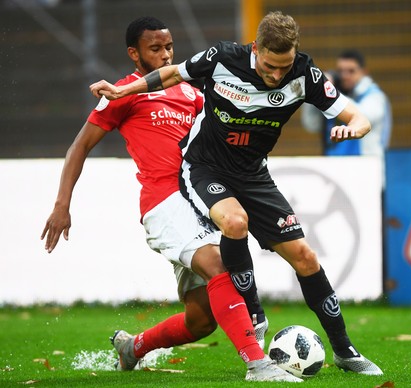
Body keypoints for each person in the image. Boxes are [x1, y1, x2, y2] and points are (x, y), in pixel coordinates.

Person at [90, 11, 383, 376]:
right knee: (234, 221)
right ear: (256, 49)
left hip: (254, 176)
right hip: (204, 168)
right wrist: (123, 90)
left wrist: (354, 129)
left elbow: (358, 116)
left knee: (305, 257)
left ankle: (345, 350)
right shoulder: (223, 58)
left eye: (285, 66)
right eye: (271, 66)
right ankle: (254, 313)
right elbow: (171, 72)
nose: (277, 76)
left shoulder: (305, 75)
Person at [41, 16, 302, 383]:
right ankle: (259, 366)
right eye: (155, 49)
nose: (165, 56)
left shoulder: (191, 93)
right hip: (164, 203)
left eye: (169, 47)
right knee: (221, 266)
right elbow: (79, 146)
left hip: (201, 199)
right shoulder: (126, 91)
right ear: (135, 54)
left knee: (202, 320)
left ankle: (134, 347)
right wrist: (61, 205)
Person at [301, 48, 392, 160]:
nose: (345, 76)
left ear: (364, 72)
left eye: (351, 71)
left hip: (366, 166)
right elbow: (312, 125)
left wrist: (329, 91)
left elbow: (362, 117)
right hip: (335, 164)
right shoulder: (332, 97)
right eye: (340, 71)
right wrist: (315, 90)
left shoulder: (375, 96)